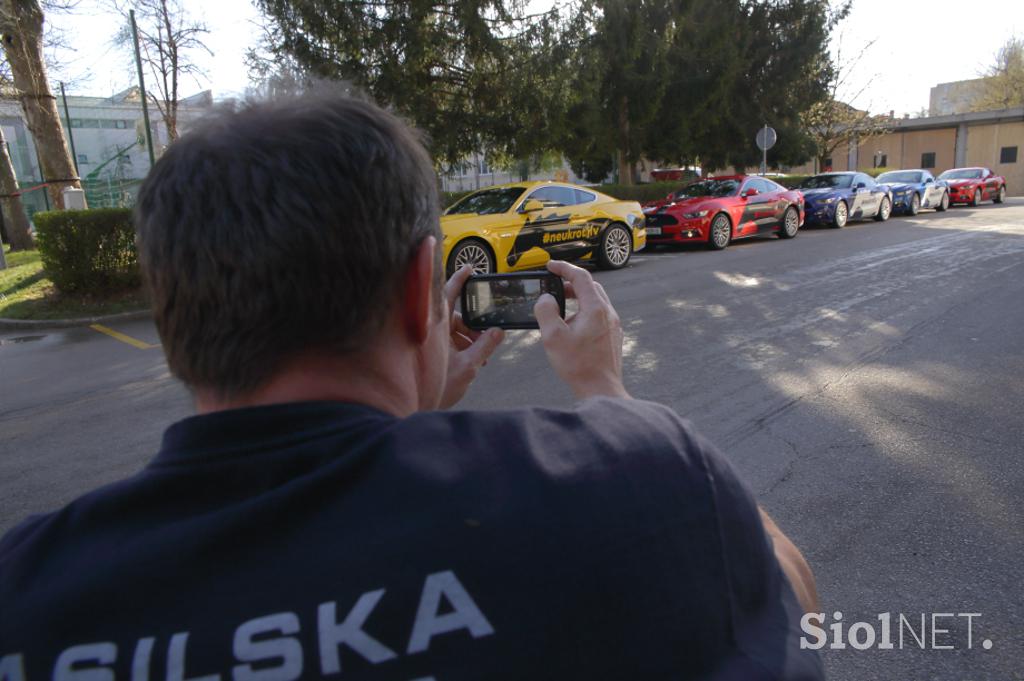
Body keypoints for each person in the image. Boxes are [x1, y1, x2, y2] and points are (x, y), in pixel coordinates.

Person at [0, 93, 822, 680]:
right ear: (418, 287)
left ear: (173, 313)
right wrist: (610, 393)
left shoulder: (27, 591)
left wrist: (397, 423)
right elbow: (788, 602)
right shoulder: (634, 480)